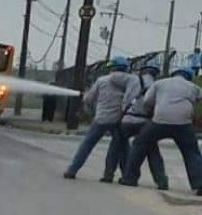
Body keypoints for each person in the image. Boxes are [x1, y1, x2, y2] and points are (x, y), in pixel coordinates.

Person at [120, 67, 202, 195]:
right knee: (191, 152)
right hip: (183, 123)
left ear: (173, 74)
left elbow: (147, 101)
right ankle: (199, 184)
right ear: (189, 77)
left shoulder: (159, 83)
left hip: (159, 120)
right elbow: (199, 99)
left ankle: (129, 178)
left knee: (139, 144)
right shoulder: (193, 87)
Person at [63, 56, 132, 182]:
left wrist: (92, 113)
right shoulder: (128, 83)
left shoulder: (101, 81)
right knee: (123, 148)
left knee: (86, 145)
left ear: (111, 68)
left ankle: (72, 170)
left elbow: (88, 99)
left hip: (100, 119)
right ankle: (123, 175)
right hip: (118, 120)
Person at [106, 61, 168, 190]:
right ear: (156, 73)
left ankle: (109, 174)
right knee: (152, 151)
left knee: (115, 146)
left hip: (127, 119)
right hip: (145, 123)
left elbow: (113, 77)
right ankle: (161, 180)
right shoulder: (158, 85)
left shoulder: (132, 79)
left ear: (142, 70)